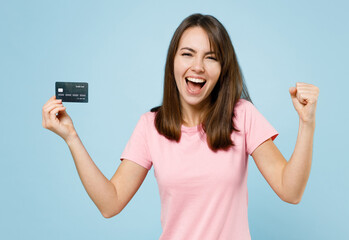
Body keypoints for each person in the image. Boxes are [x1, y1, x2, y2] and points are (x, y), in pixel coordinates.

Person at [42, 13, 319, 240]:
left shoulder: (242, 115)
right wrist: (71, 137)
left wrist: (306, 123)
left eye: (211, 57)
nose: (198, 66)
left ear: (222, 69)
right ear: (173, 61)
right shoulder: (150, 126)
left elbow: (290, 191)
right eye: (188, 54)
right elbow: (110, 203)